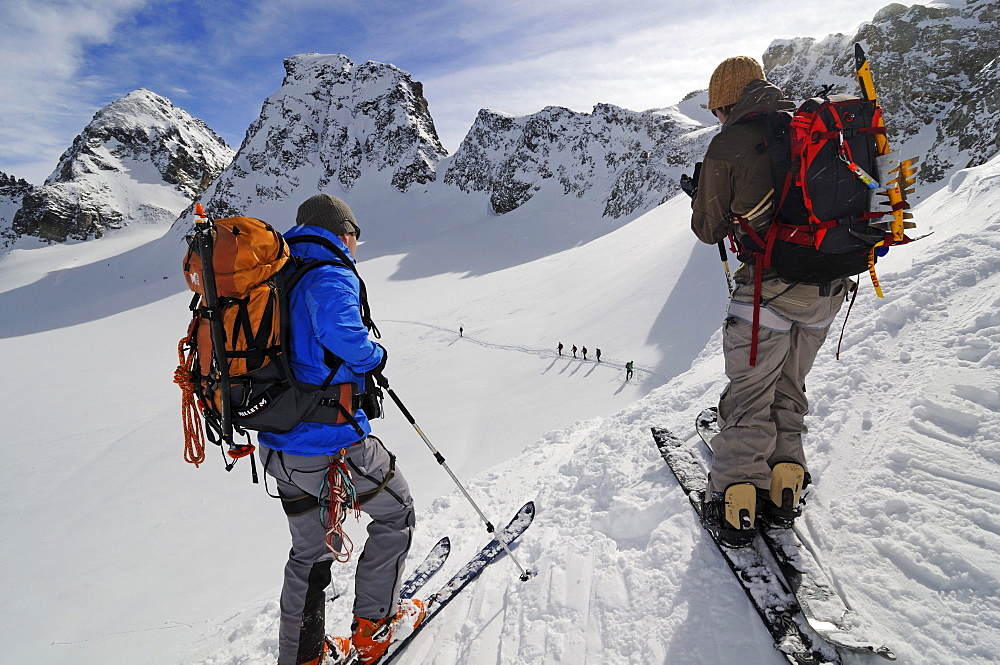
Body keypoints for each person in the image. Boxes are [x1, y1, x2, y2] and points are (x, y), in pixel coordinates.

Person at [257, 194, 424, 665]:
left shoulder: (275, 270)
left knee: (308, 555)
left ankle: (301, 657)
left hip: (277, 447)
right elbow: (339, 330)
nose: (356, 247)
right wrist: (375, 357)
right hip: (329, 444)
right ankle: (374, 632)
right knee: (397, 514)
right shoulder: (328, 271)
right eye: (356, 237)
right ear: (343, 231)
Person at [690, 57, 849, 548]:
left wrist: (704, 191)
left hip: (767, 294)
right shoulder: (810, 128)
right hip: (828, 290)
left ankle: (738, 501)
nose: (717, 117)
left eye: (718, 108)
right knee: (789, 390)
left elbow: (707, 228)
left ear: (727, 102)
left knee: (749, 398)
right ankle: (783, 490)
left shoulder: (731, 142)